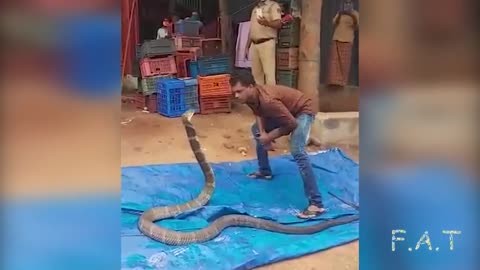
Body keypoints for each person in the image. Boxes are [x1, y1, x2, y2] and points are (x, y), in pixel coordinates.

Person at [229, 70, 326, 219]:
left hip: (302, 111)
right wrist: (263, 134)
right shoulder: (250, 96)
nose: (236, 96)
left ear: (250, 86)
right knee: (255, 129)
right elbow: (258, 112)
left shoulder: (268, 101)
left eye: (239, 91)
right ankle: (265, 171)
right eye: (234, 92)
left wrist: (269, 137)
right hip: (287, 112)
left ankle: (317, 204)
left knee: (297, 150)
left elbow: (291, 124)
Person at [244, 0, 283, 85]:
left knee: (269, 74)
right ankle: (260, 97)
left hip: (267, 43)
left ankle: (271, 97)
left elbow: (278, 24)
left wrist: (266, 23)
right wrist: (247, 46)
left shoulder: (273, 6)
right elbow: (252, 29)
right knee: (256, 75)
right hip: (255, 44)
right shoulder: (255, 8)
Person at [327, 0, 359, 87]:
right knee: (334, 61)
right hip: (337, 38)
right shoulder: (340, 13)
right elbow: (334, 22)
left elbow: (357, 25)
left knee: (344, 62)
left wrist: (351, 15)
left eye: (349, 3)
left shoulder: (355, 14)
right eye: (346, 3)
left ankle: (342, 82)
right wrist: (340, 14)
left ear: (352, 4)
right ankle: (334, 81)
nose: (347, 4)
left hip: (347, 40)